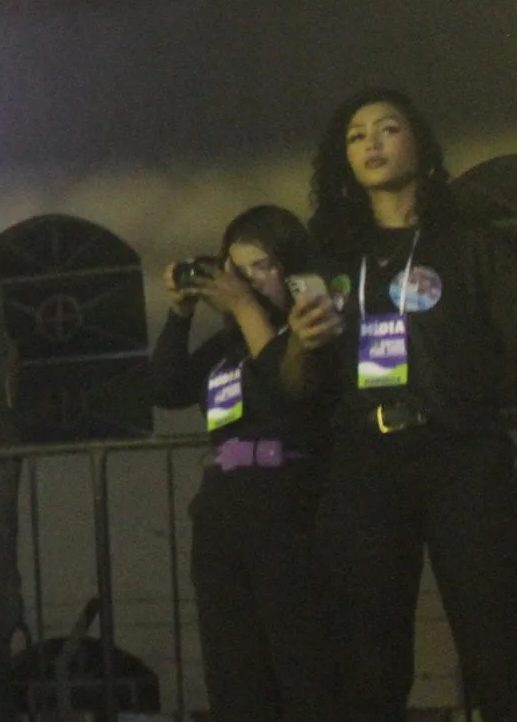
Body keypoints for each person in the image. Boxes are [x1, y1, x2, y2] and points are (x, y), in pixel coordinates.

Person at [291, 88, 517, 721]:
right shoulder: (335, 255)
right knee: (368, 650)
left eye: (387, 129)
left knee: (494, 637)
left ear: (419, 143)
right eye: (356, 135)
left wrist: (475, 401)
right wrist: (302, 343)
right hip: (366, 459)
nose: (371, 143)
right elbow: (301, 385)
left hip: (460, 452)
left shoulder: (467, 242)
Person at [148, 206, 333, 722]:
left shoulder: (307, 333)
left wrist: (247, 309)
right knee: (233, 672)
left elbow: (289, 396)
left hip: (288, 510)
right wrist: (179, 314)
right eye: (236, 269)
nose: (244, 281)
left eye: (261, 266)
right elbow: (165, 388)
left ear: (291, 268)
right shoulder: (224, 349)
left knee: (301, 667)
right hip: (223, 511)